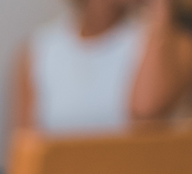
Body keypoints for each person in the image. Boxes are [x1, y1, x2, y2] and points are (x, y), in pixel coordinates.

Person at [12, 0, 192, 134]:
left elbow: (146, 112)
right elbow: (25, 153)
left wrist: (161, 12)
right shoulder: (39, 50)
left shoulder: (166, 43)